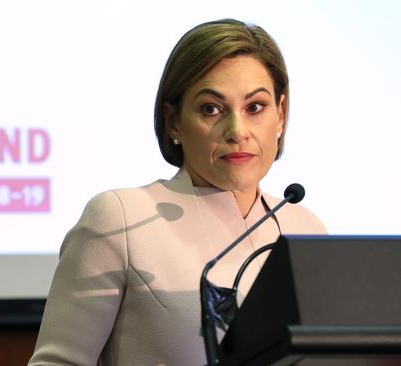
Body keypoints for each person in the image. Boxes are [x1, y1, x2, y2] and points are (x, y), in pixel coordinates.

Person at [28, 18, 326, 366]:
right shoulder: (122, 217)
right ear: (173, 123)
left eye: (255, 107)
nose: (237, 130)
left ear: (281, 115)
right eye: (211, 109)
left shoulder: (304, 228)